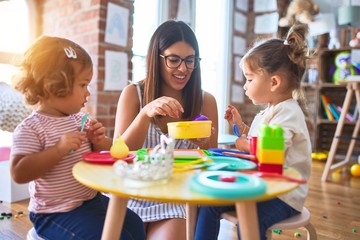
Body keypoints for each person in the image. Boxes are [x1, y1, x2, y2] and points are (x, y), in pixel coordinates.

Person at [10, 36, 145, 240]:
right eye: (83, 85)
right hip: (54, 213)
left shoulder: (80, 119)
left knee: (136, 226)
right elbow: (19, 172)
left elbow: (108, 153)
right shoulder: (32, 128)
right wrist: (58, 150)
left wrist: (99, 142)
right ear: (52, 86)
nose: (88, 93)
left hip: (91, 201)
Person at [194, 24, 312, 240]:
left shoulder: (288, 113)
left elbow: (268, 150)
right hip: (259, 186)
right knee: (208, 204)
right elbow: (253, 137)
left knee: (250, 221)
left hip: (283, 194)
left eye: (249, 79)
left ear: (274, 82)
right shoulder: (269, 111)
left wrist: (242, 144)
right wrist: (239, 125)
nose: (245, 86)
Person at [114, 20, 219, 239]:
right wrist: (145, 113)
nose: (183, 69)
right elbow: (118, 153)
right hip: (132, 191)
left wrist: (204, 145)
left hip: (177, 198)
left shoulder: (205, 101)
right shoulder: (133, 94)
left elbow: (211, 162)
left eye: (190, 60)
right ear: (156, 58)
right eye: (174, 60)